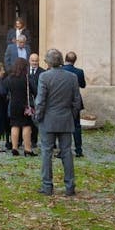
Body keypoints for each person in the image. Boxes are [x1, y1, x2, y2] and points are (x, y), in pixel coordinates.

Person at [33, 48, 83, 196]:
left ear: (48, 62)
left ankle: (47, 186)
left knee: (46, 153)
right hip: (65, 118)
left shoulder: (44, 76)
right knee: (67, 153)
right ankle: (70, 186)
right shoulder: (72, 77)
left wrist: (38, 117)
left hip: (48, 119)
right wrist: (71, 115)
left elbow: (40, 100)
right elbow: (77, 101)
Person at [3, 58, 35, 156]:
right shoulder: (27, 78)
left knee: (14, 125)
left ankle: (14, 148)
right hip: (25, 105)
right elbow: (35, 91)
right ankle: (27, 149)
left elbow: (4, 90)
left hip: (13, 104)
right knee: (26, 125)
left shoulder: (9, 78)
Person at [62, 51, 87, 157]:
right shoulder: (79, 72)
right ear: (75, 60)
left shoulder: (60, 70)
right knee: (76, 126)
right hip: (75, 100)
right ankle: (78, 150)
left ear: (65, 59)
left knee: (63, 126)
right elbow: (83, 85)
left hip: (63, 100)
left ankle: (63, 150)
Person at [26, 52, 44, 148]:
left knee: (35, 122)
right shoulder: (24, 70)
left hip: (37, 100)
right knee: (25, 121)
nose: (34, 63)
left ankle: (33, 141)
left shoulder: (43, 72)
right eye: (32, 61)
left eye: (36, 61)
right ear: (29, 61)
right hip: (26, 100)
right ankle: (22, 140)